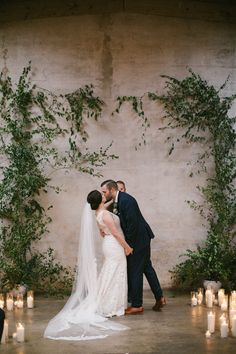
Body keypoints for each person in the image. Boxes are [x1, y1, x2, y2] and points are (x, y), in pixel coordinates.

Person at [44, 190, 132, 341]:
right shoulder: (104, 214)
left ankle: (110, 303)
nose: (104, 194)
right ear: (100, 200)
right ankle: (109, 305)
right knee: (115, 273)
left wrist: (109, 235)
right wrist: (127, 247)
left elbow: (102, 233)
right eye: (102, 195)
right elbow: (116, 233)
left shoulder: (98, 214)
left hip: (109, 244)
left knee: (111, 272)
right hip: (115, 245)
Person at [101, 180, 166, 314]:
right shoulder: (118, 200)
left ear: (112, 190)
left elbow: (132, 226)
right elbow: (108, 212)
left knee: (134, 270)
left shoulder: (127, 200)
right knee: (147, 268)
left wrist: (127, 246)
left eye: (104, 192)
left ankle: (137, 305)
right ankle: (160, 297)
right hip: (141, 238)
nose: (103, 194)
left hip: (138, 239)